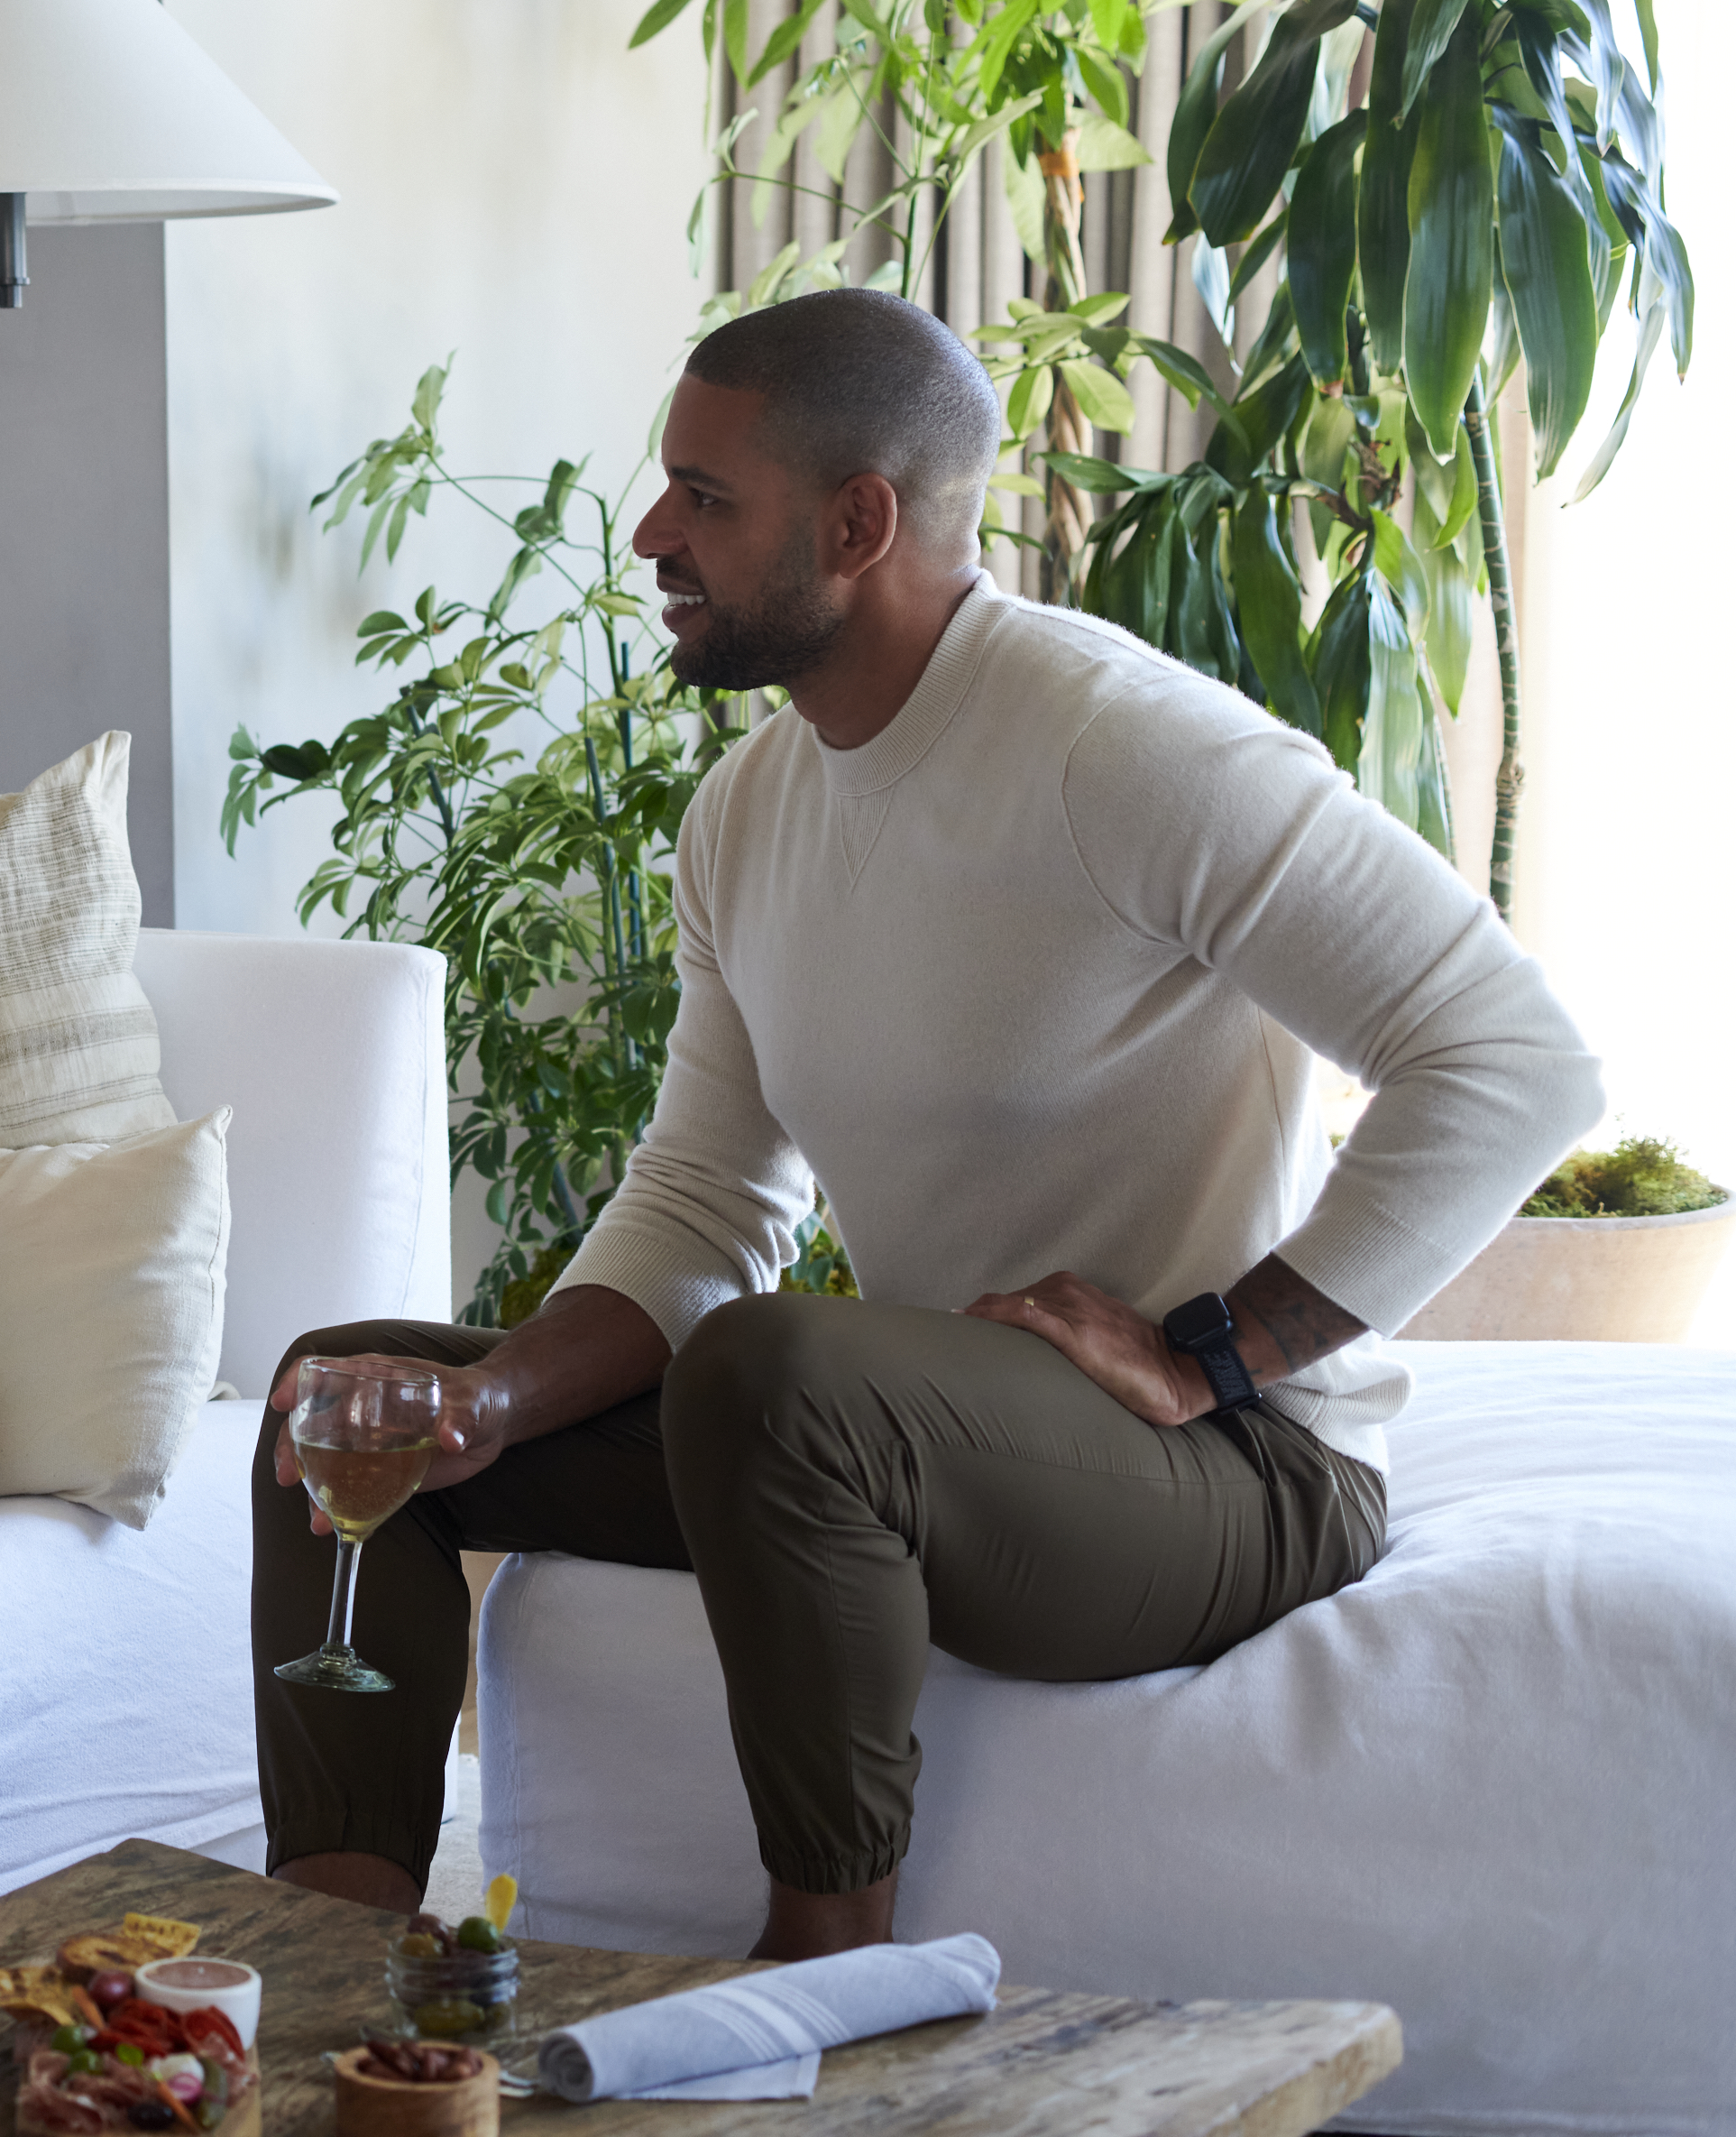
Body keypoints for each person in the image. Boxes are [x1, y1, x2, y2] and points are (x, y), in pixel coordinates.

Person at [254, 287, 1601, 1958]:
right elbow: (702, 1195)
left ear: (858, 524)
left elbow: (1516, 1061)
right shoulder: (747, 812)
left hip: (1235, 1475)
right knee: (343, 1389)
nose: (652, 534)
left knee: (775, 1371)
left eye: (704, 497)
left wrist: (1220, 1352)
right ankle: (330, 1980)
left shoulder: (1124, 748)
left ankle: (823, 1976)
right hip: (921, 1454)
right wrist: (489, 1403)